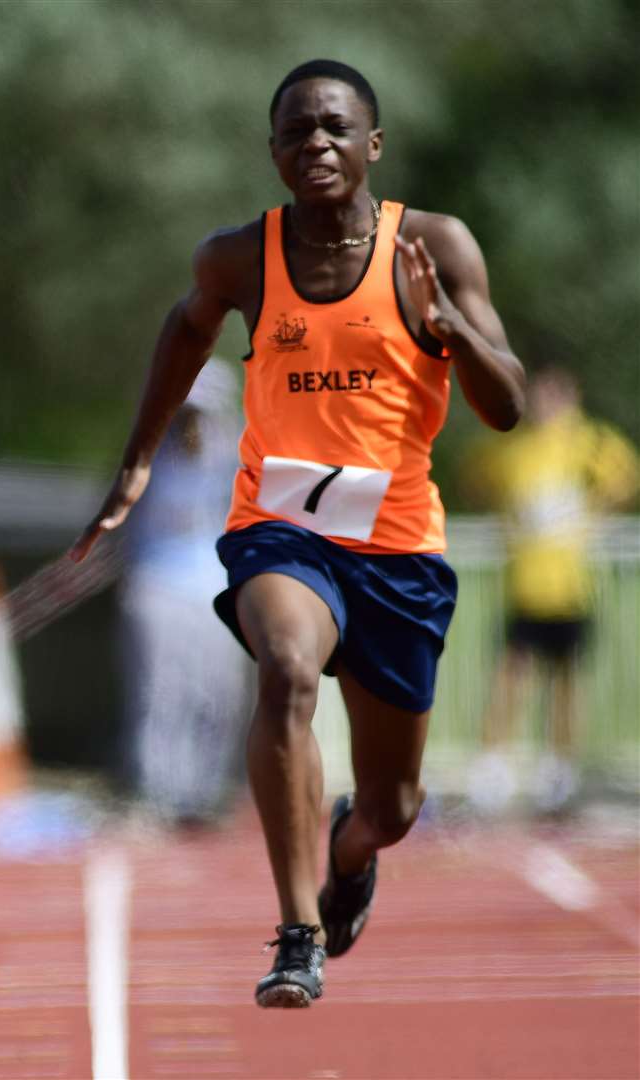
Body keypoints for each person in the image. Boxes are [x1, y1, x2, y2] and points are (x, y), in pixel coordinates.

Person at [72, 59, 526, 1007]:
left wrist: (447, 328)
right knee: (283, 670)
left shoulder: (435, 246)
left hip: (398, 548)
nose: (313, 144)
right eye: (293, 132)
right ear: (272, 151)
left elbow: (508, 404)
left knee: (395, 809)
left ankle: (352, 845)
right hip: (281, 528)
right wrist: (136, 460)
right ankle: (297, 930)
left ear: (373, 144)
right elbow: (185, 331)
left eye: (332, 128)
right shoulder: (240, 257)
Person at [467, 368, 639, 816]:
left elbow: (624, 478)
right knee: (510, 676)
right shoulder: (515, 447)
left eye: (553, 395)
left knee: (567, 681)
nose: (545, 403)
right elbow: (480, 478)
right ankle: (494, 766)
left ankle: (559, 768)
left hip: (570, 586)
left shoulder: (589, 442)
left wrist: (591, 510)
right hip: (525, 584)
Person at [119, 361, 254, 827]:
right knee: (162, 695)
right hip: (158, 586)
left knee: (218, 695)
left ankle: (206, 791)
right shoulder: (149, 451)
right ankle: (160, 792)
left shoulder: (233, 451)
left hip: (214, 588)